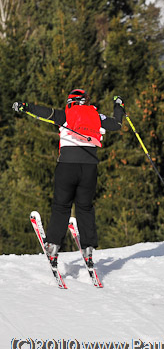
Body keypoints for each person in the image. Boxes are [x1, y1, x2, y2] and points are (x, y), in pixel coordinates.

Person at [13, 90, 124, 267]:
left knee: (61, 206)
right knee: (85, 208)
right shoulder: (97, 117)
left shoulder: (66, 114)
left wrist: (25, 106)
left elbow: (45, 112)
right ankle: (88, 248)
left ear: (71, 101)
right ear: (85, 101)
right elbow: (117, 124)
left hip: (67, 166)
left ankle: (53, 245)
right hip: (89, 168)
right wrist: (119, 106)